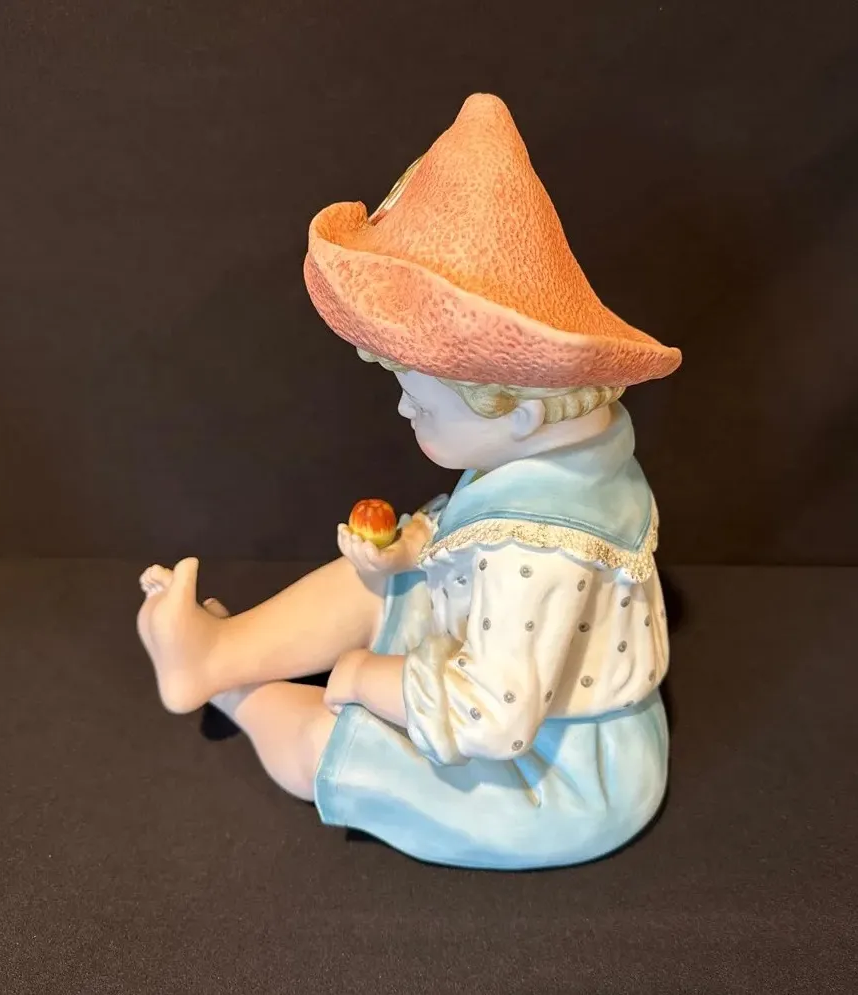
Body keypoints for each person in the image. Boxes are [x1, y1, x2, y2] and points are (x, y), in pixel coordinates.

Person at [137, 93, 682, 869]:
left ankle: (240, 695)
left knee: (334, 742)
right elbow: (482, 541)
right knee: (378, 581)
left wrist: (364, 675)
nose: (401, 408)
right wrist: (413, 550)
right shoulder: (567, 457)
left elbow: (491, 715)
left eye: (422, 402)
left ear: (521, 411)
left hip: (556, 777)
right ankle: (219, 650)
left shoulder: (539, 549)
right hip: (508, 669)